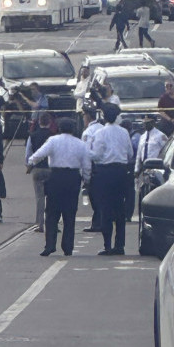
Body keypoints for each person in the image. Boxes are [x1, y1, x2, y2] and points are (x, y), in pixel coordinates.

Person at [26, 118, 91, 257]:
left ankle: (50, 245)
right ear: (73, 129)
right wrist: (87, 179)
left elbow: (39, 154)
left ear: (59, 128)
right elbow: (86, 165)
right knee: (69, 214)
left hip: (55, 176)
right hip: (73, 178)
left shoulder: (53, 141)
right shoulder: (81, 144)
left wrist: (31, 162)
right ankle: (68, 247)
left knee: (51, 213)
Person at [90, 106, 134, 255]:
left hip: (105, 172)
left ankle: (107, 245)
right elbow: (130, 153)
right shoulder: (124, 132)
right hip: (121, 171)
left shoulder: (100, 133)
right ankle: (120, 245)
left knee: (105, 208)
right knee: (120, 210)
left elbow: (96, 155)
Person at [24, 113, 53, 233]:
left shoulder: (33, 136)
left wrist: (28, 165)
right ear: (50, 123)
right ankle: (52, 223)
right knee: (52, 198)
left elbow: (28, 153)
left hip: (37, 169)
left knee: (40, 198)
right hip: (51, 169)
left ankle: (40, 224)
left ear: (39, 122)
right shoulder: (53, 136)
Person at [79, 106, 105, 233]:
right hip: (105, 166)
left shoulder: (88, 132)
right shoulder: (102, 128)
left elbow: (86, 155)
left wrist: (86, 176)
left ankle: (98, 223)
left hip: (94, 169)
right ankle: (100, 221)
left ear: (88, 116)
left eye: (83, 116)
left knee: (95, 198)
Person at [134, 114, 169, 185]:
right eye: (144, 123)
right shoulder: (143, 137)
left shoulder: (160, 136)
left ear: (153, 123)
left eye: (147, 123)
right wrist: (137, 169)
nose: (145, 125)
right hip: (144, 168)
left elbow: (167, 151)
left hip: (156, 167)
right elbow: (139, 155)